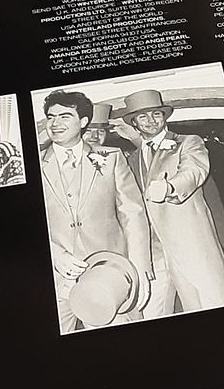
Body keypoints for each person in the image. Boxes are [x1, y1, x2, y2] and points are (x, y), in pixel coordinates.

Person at [38, 90, 152, 332]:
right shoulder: (31, 165)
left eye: (65, 116)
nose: (55, 123)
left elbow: (132, 214)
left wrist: (140, 268)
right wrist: (53, 253)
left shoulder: (111, 157)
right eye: (51, 117)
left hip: (109, 276)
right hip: (56, 282)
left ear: (83, 122)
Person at [121, 88, 224, 318]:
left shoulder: (188, 142)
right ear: (134, 122)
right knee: (172, 309)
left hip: (191, 242)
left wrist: (169, 187)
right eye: (143, 116)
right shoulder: (132, 158)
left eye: (156, 114)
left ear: (164, 116)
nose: (151, 120)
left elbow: (194, 171)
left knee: (214, 300)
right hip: (156, 252)